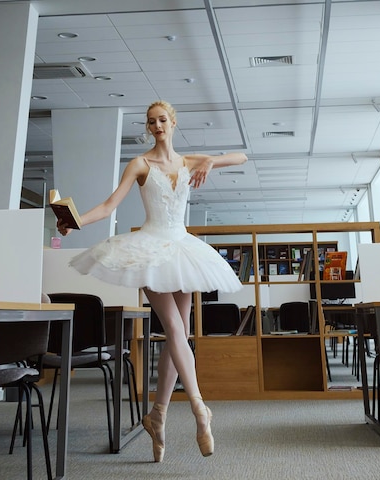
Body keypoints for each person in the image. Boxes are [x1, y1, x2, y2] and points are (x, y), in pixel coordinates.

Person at [56, 100, 247, 462]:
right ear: (148, 128)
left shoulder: (188, 161)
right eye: (151, 122)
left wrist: (209, 160)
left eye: (162, 120)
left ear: (173, 123)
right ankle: (199, 409)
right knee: (175, 329)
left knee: (181, 335)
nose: (157, 126)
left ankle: (157, 415)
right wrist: (76, 221)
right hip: (150, 250)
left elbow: (241, 158)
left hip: (184, 250)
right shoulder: (140, 164)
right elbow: (110, 206)